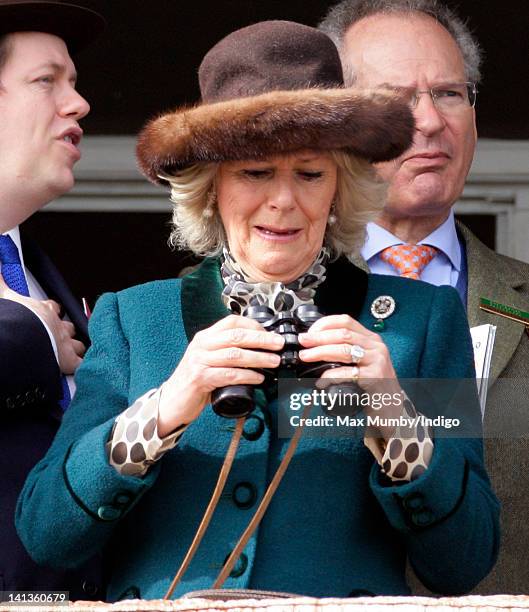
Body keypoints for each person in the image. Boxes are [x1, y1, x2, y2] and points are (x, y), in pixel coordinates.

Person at [16, 20, 498, 601]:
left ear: (339, 186)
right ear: (211, 186)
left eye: (310, 173)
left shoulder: (418, 322)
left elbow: (466, 562)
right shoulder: (136, 319)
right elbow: (45, 535)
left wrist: (397, 420)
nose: (284, 200)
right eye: (255, 172)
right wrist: (166, 408)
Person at [319, 0, 529, 595]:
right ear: (335, 122)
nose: (430, 122)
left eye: (449, 93)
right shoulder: (271, 297)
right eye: (396, 97)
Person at [0, 0, 105, 598]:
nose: (79, 103)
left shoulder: (42, 274)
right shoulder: (36, 316)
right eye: (47, 81)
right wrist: (35, 338)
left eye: (75, 82)